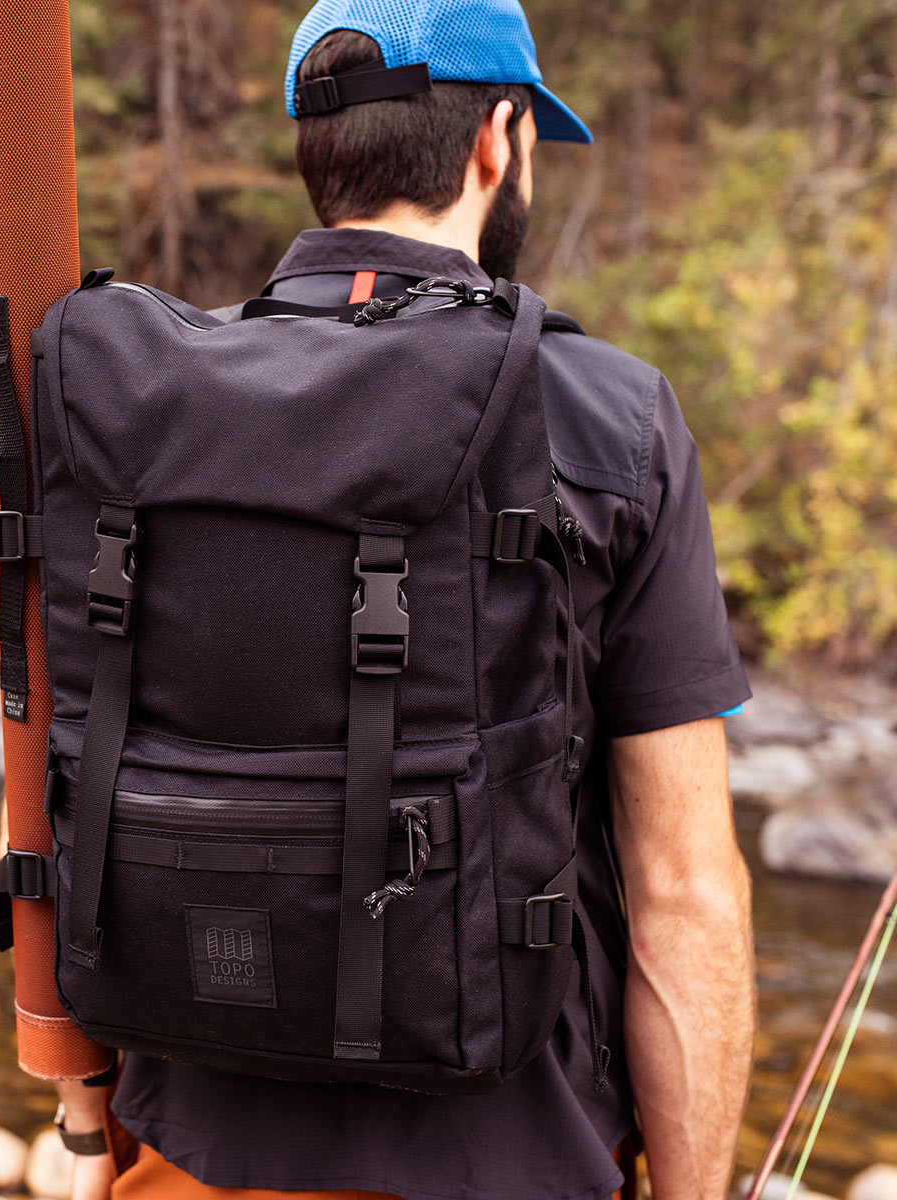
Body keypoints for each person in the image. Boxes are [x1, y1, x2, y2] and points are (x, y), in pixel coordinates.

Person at [51, 2, 757, 1197]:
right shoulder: (607, 414)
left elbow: (69, 771)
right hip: (516, 1161)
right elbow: (681, 893)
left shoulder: (141, 402)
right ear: (498, 141)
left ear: (316, 156)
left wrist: (82, 1116)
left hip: (188, 1155)